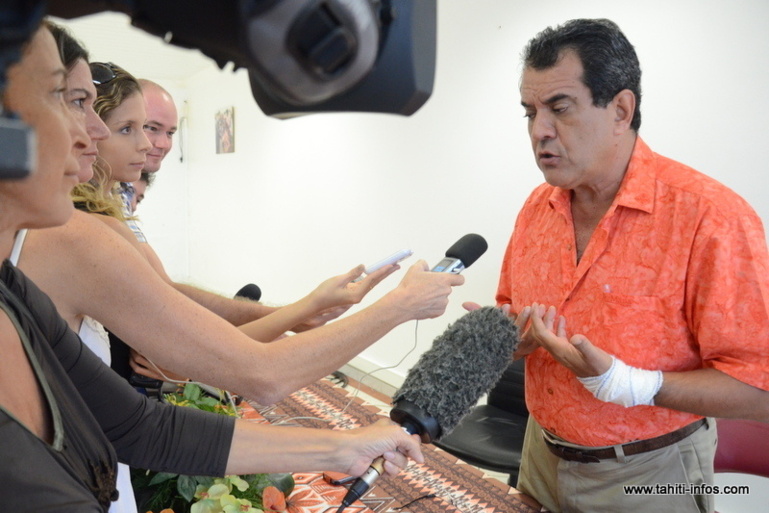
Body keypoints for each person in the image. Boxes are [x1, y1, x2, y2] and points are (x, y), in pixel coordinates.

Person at [0, 24, 425, 513]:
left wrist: (341, 446)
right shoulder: (77, 237)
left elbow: (139, 425)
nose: (91, 129)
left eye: (161, 130)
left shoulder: (14, 290)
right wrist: (401, 305)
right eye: (68, 98)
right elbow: (253, 372)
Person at [494, 18, 769, 513]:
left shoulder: (710, 218)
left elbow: (760, 390)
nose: (539, 131)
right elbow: (509, 314)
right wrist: (507, 340)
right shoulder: (537, 208)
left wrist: (628, 384)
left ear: (621, 109)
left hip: (651, 473)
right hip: (540, 455)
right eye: (529, 112)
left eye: (559, 108)